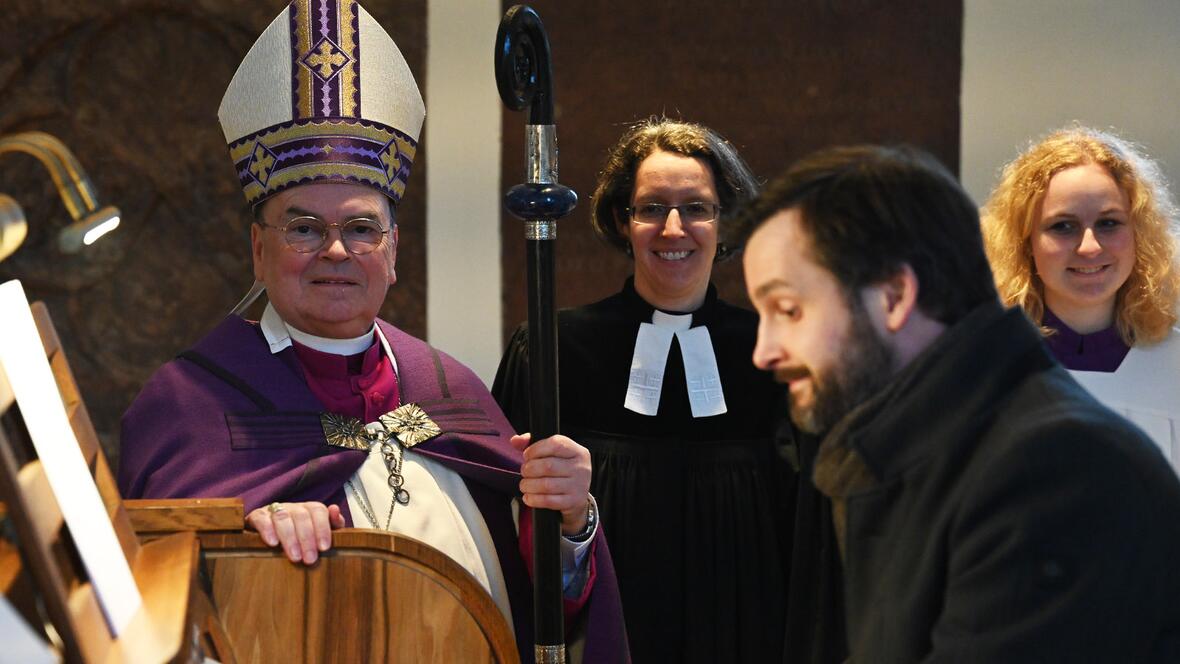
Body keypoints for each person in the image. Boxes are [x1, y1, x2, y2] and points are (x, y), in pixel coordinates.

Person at [116, 2, 627, 661]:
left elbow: (550, 601)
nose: (335, 252)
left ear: (393, 252)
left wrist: (569, 519)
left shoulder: (450, 389)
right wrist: (239, 541)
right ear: (257, 249)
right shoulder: (188, 403)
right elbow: (146, 587)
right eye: (304, 228)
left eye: (360, 229)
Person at [734, 144, 1180, 661]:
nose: (763, 352)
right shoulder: (918, 448)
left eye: (788, 309)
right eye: (1062, 227)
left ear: (894, 297)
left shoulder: (1049, 469)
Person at [493, 119, 842, 663]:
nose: (673, 229)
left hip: (747, 640)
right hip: (605, 638)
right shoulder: (553, 348)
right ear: (621, 220)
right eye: (652, 208)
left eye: (697, 208)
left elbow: (812, 543)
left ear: (725, 223)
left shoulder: (780, 356)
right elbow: (507, 524)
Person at [982, 126, 1180, 476]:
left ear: (1139, 235)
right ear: (1025, 242)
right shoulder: (981, 368)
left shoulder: (1174, 368)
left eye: (1108, 223)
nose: (1090, 247)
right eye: (1063, 226)